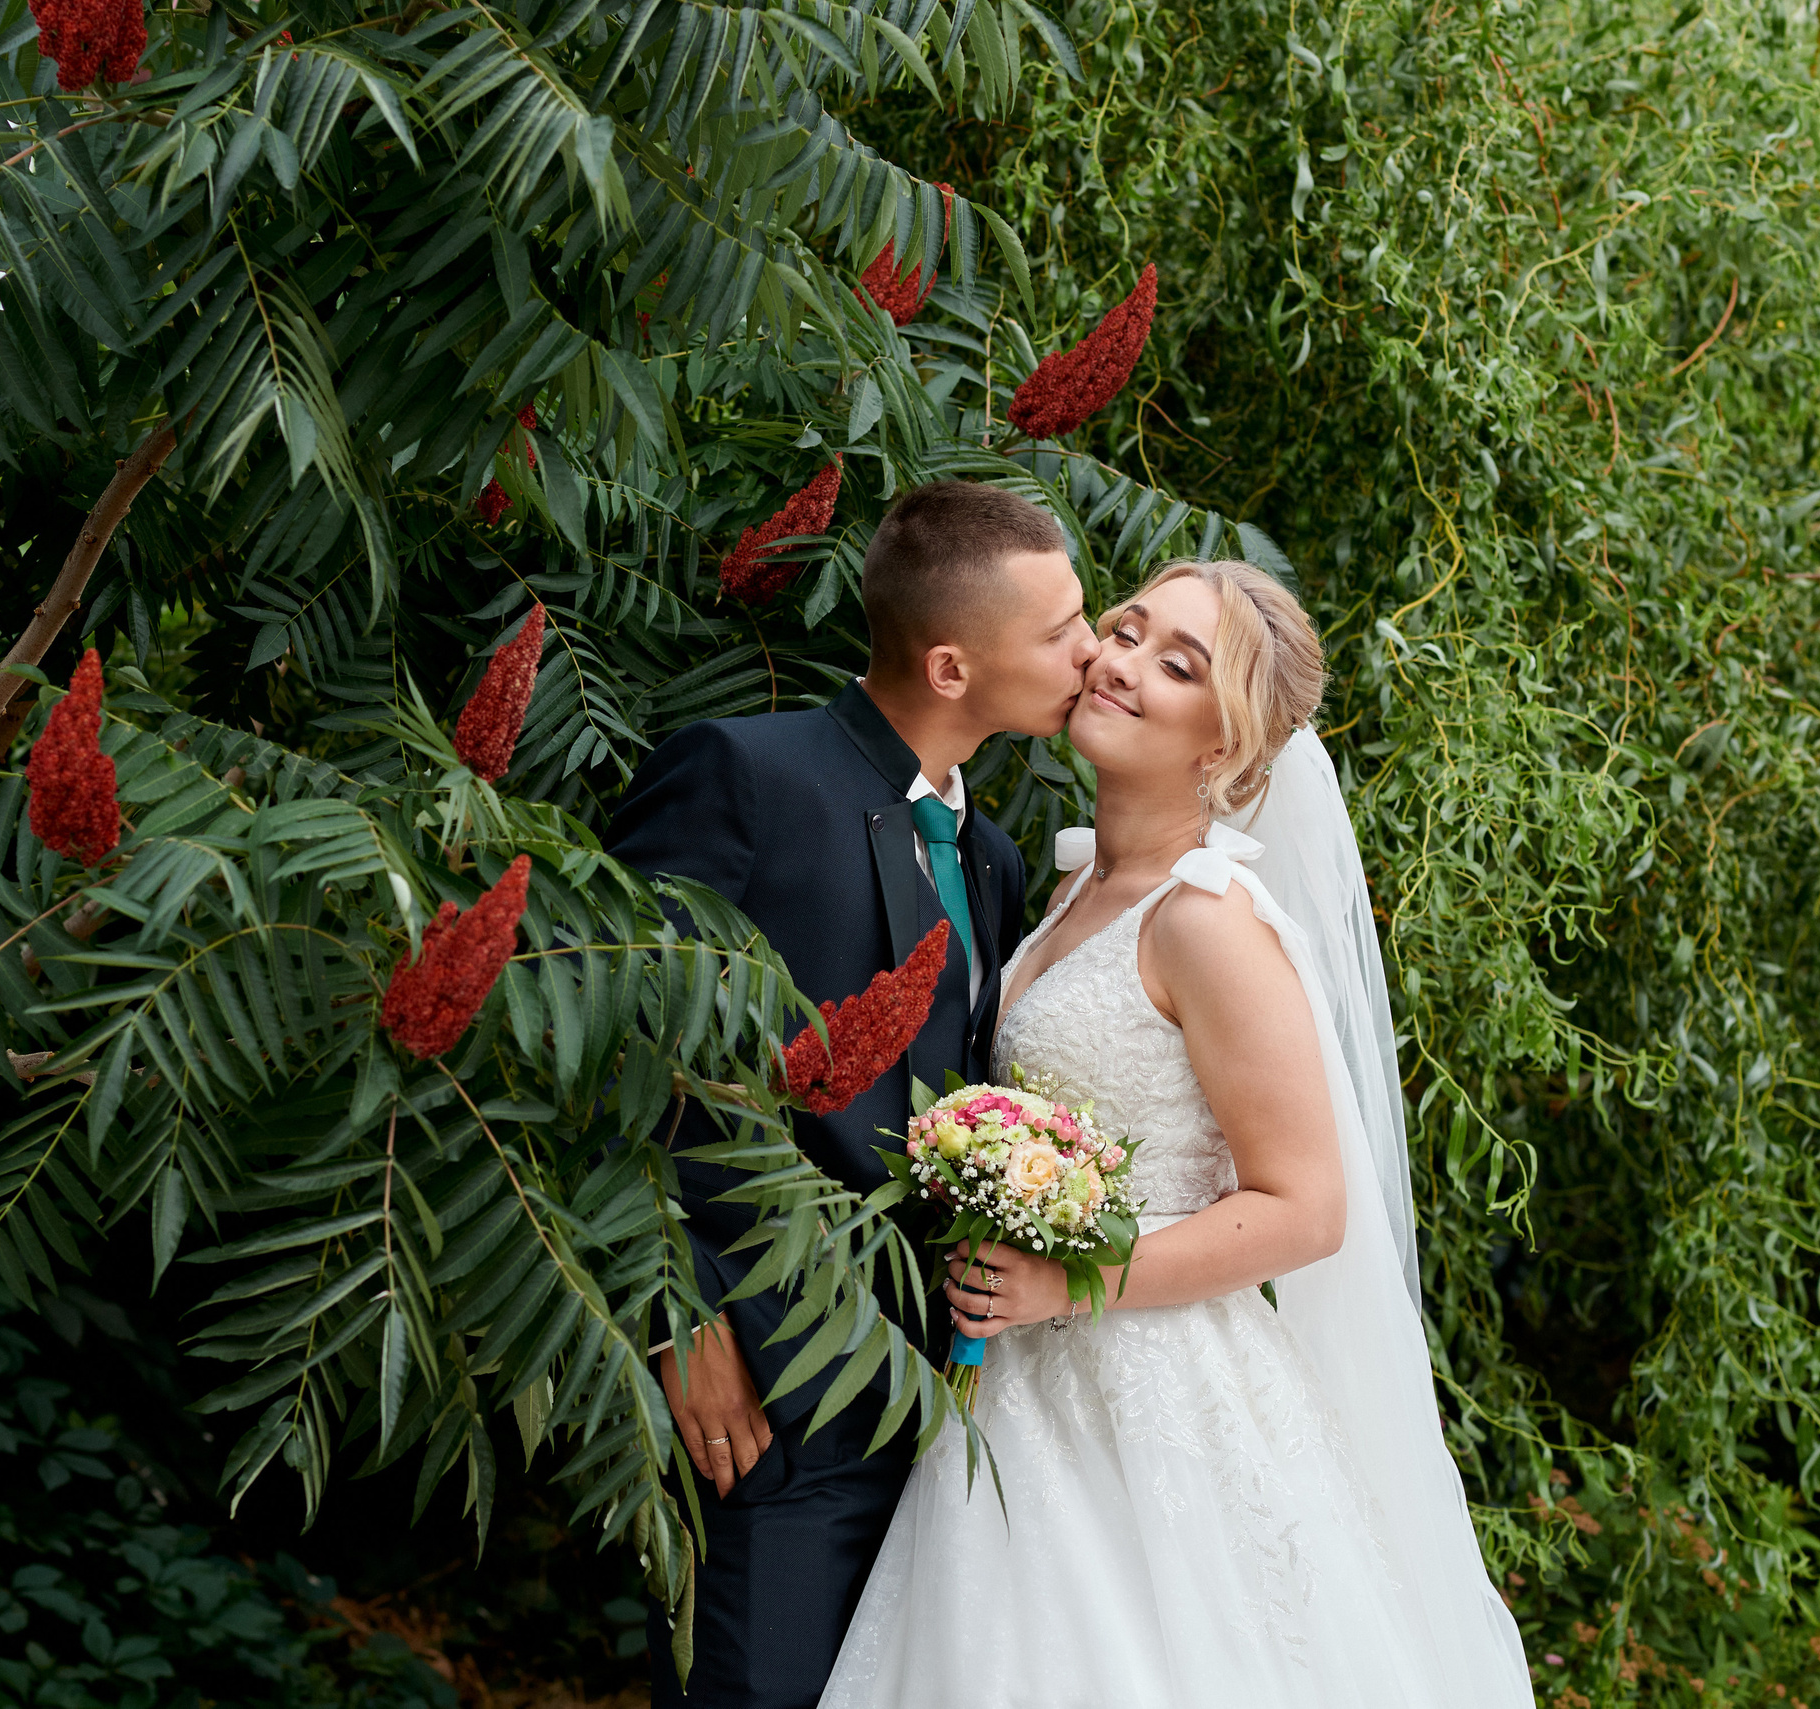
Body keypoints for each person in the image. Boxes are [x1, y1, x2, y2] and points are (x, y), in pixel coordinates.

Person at [819, 559, 1535, 1707]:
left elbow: (1304, 1207)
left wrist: (1073, 1283)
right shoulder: (1059, 888)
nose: (1118, 662)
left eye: (1177, 662)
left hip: (1145, 1390)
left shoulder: (1207, 921)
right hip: (1014, 1378)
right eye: (1123, 628)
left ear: (1228, 745)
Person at [605, 480, 1101, 1708]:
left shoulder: (987, 859)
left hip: (926, 1402)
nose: (1090, 652)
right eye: (1060, 629)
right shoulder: (739, 774)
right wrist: (675, 1319)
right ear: (949, 664)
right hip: (758, 1398)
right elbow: (610, 1060)